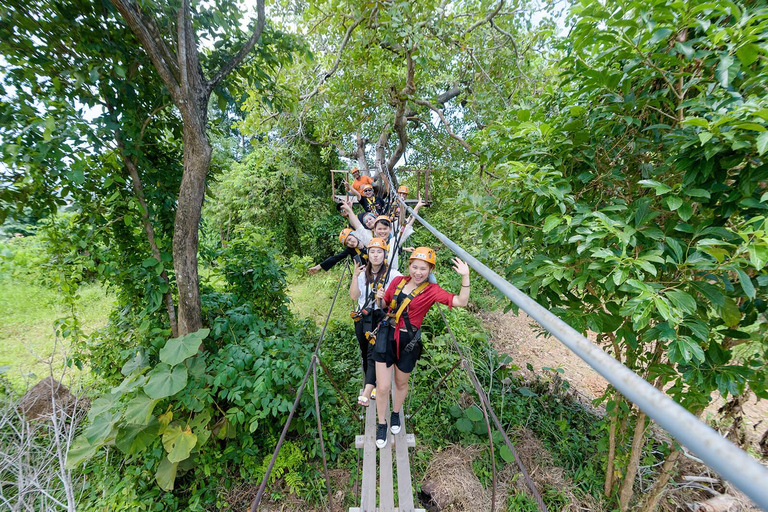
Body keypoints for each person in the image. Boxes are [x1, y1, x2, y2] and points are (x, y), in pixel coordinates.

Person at [371, 248, 470, 448]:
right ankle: (382, 423)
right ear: (409, 266)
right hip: (385, 336)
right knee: (382, 387)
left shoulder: (432, 291)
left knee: (400, 383)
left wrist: (465, 277)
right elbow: (384, 307)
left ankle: (396, 413)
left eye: (423, 269)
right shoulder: (397, 282)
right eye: (414, 267)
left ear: (430, 270)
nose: (418, 272)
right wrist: (379, 298)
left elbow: (461, 301)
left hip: (408, 342)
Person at [349, 238, 402, 407]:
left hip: (381, 317)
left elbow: (408, 285)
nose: (376, 255)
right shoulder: (362, 272)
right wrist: (355, 276)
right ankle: (372, 383)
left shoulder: (392, 274)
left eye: (379, 252)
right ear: (368, 254)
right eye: (372, 251)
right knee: (365, 352)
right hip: (362, 317)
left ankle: (367, 388)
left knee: (373, 352)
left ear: (385, 254)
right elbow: (354, 296)